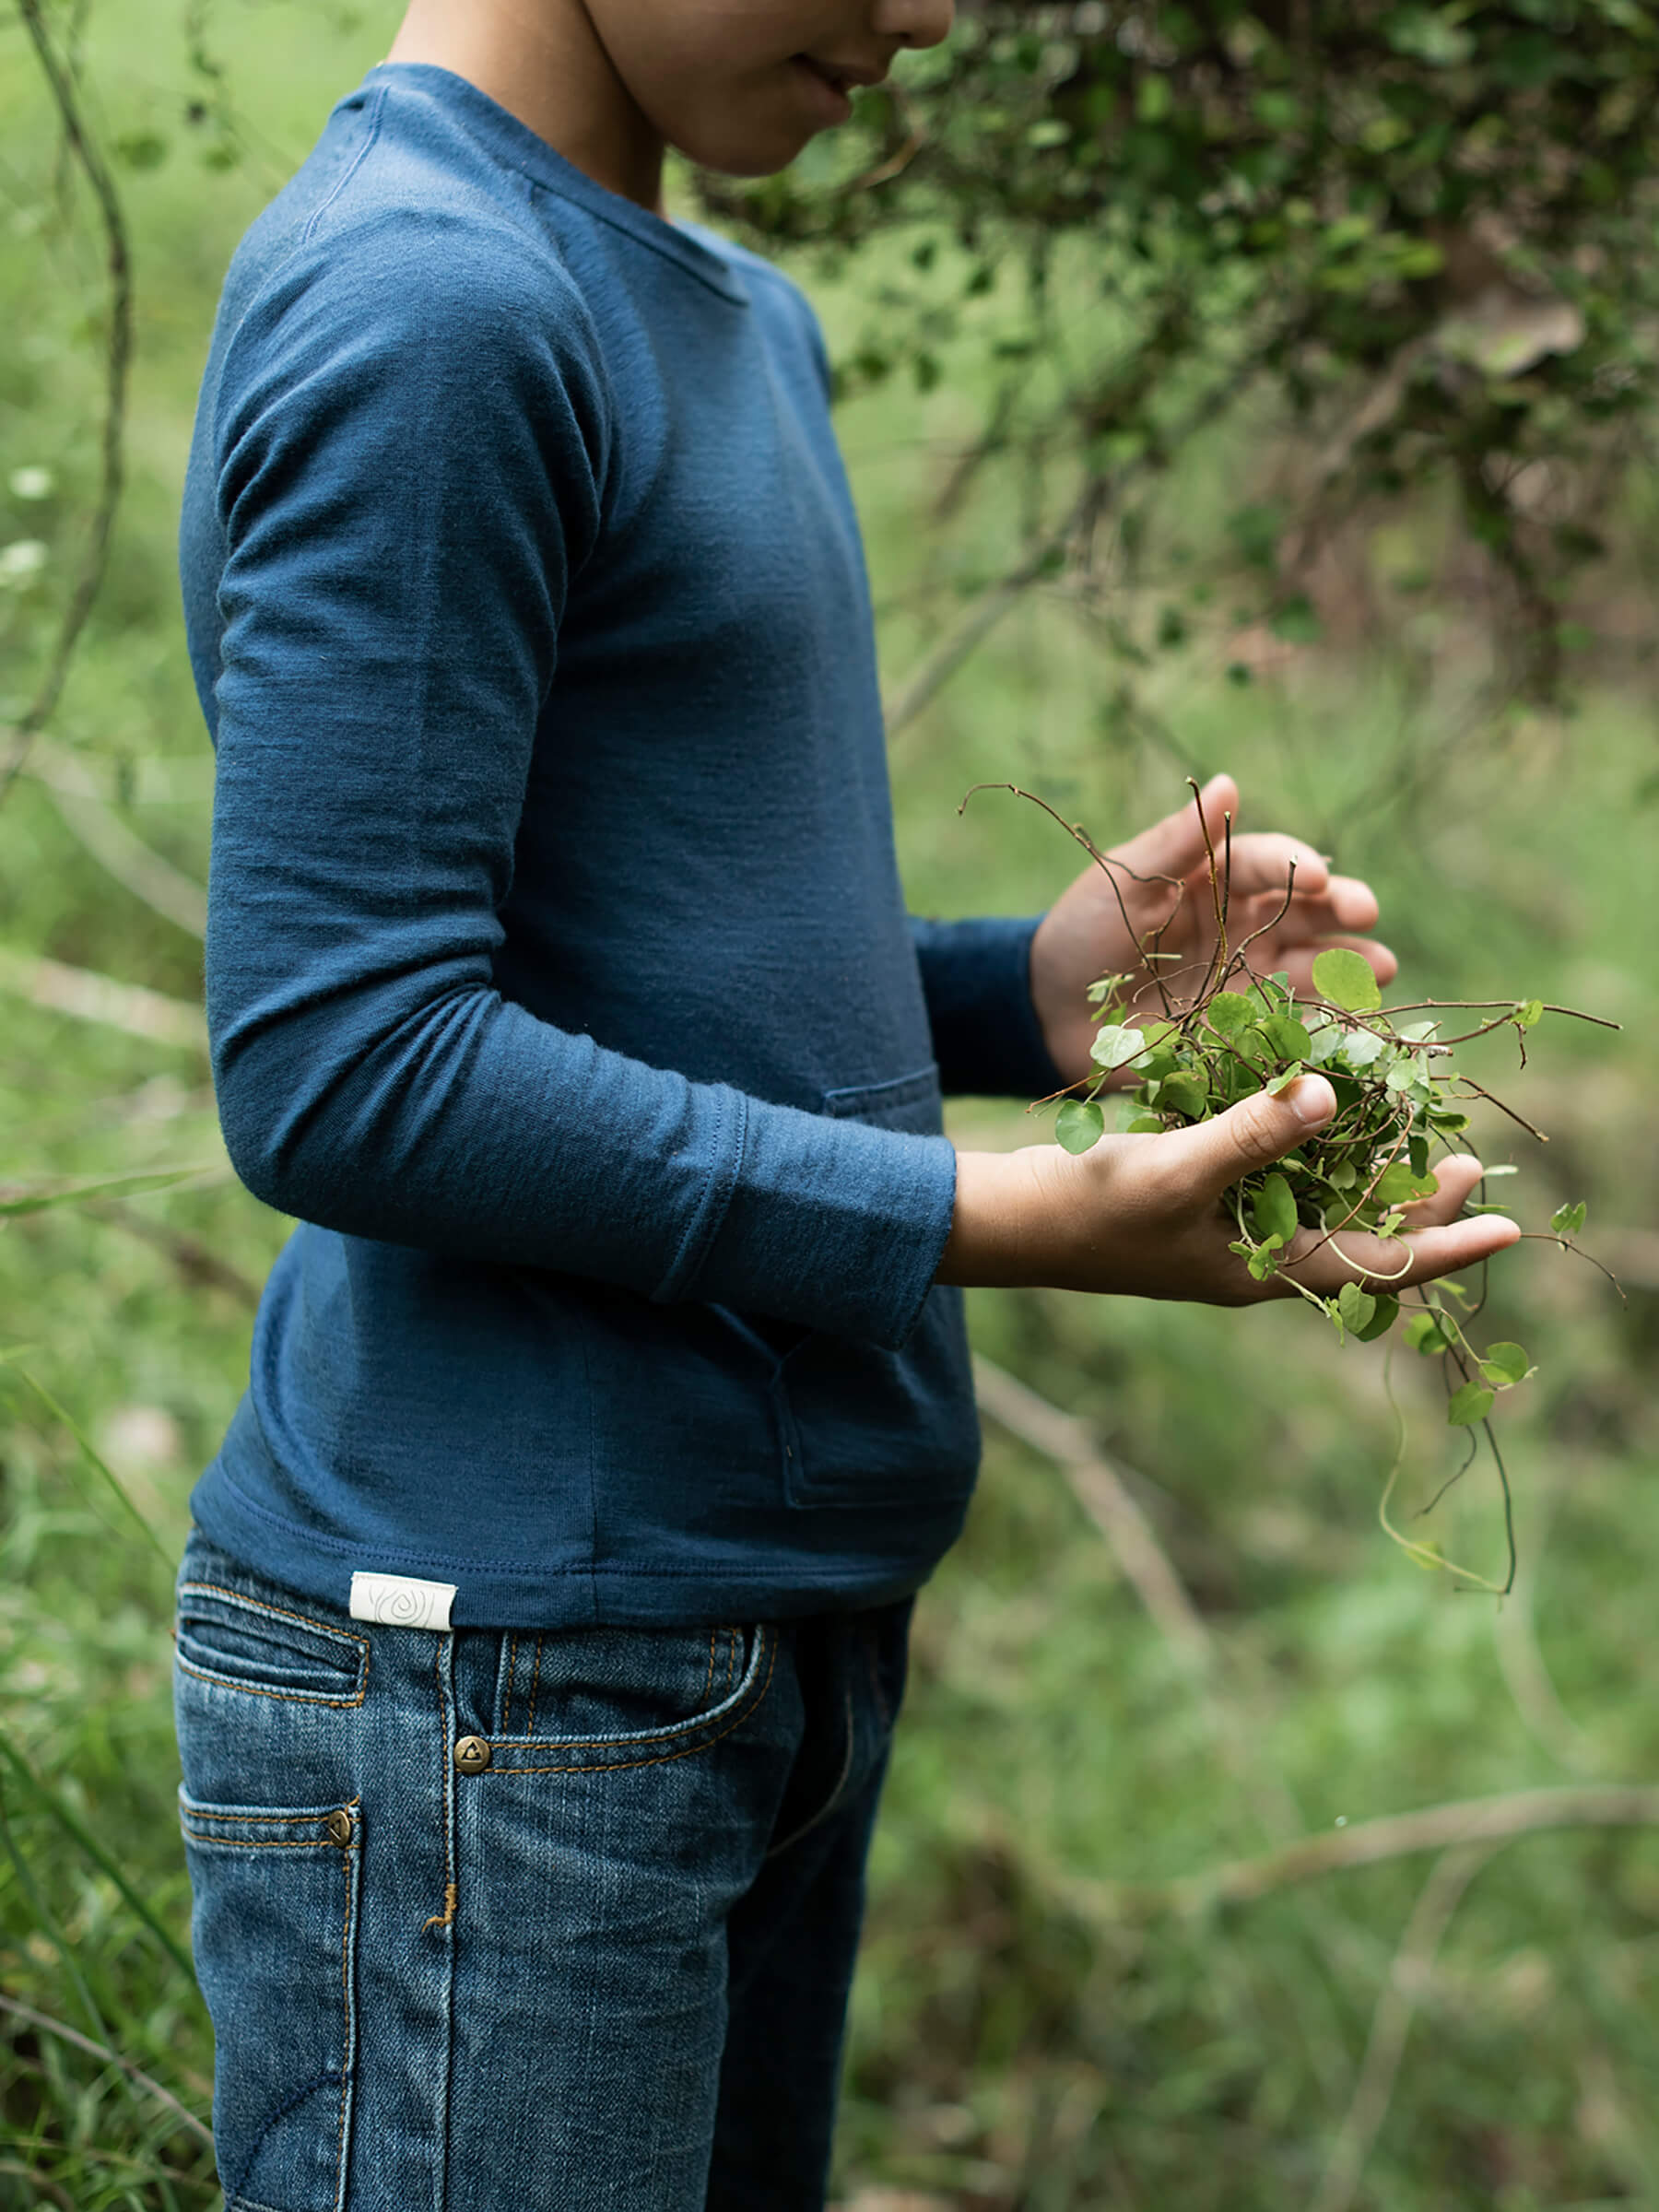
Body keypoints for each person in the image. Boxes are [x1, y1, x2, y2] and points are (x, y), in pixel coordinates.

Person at [171, 4, 1520, 2206]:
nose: (931, 12)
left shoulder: (717, 307)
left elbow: (615, 969)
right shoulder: (432, 304)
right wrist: (987, 1212)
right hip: (499, 1687)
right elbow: (347, 1063)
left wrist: (1028, 998)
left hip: (739, 1639)